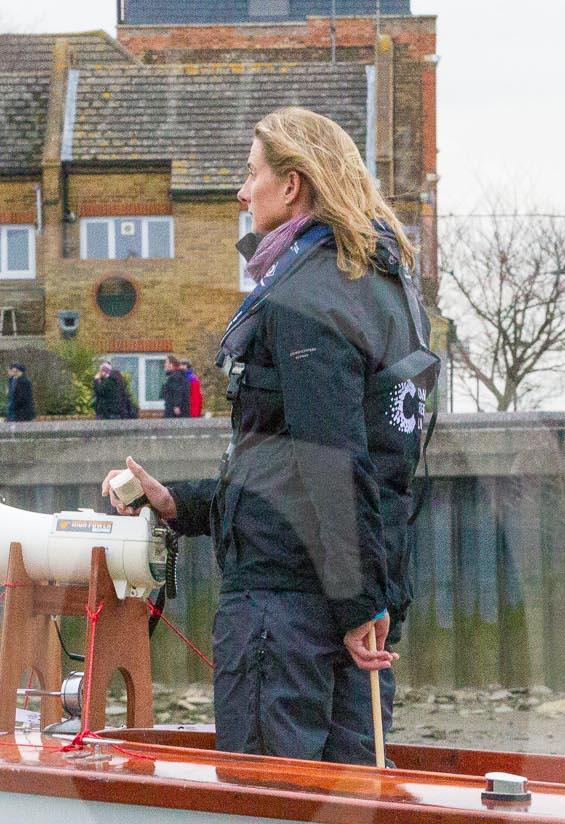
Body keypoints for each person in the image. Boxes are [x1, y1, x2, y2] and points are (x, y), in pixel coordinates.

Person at [103, 106, 438, 764]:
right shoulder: (385, 287)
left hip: (288, 618)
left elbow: (327, 460)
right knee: (349, 823)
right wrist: (183, 504)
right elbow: (346, 456)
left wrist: (355, 603)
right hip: (356, 607)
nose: (240, 190)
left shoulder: (304, 297)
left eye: (251, 173)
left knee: (271, 822)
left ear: (293, 184)